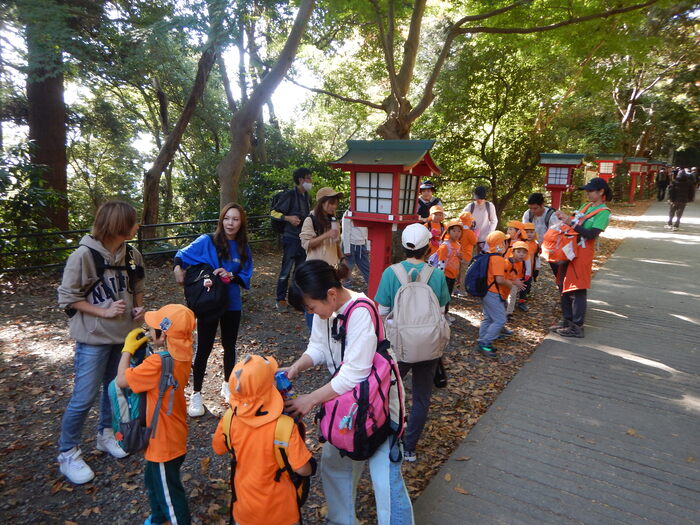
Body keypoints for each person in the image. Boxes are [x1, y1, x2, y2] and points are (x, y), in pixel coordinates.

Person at [284, 260, 414, 525]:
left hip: (378, 406)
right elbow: (318, 347)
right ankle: (342, 520)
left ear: (331, 294)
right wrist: (297, 366)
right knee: (335, 465)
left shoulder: (361, 311)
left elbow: (355, 373)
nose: (312, 313)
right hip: (345, 405)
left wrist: (310, 400)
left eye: (312, 307)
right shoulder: (326, 311)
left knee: (385, 480)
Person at [56, 200, 145, 484]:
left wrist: (139, 307)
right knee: (83, 397)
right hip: (93, 339)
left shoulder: (132, 254)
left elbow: (138, 286)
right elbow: (67, 298)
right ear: (119, 225)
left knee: (113, 389)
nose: (137, 226)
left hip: (124, 337)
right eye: (132, 221)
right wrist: (103, 311)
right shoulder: (83, 256)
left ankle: (106, 434)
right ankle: (68, 452)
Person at [375, 223, 450, 462]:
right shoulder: (436, 275)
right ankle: (410, 448)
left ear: (404, 246)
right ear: (428, 248)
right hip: (429, 346)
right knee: (421, 398)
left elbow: (382, 311)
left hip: (398, 346)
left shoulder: (391, 273)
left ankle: (386, 440)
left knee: (387, 392)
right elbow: (441, 312)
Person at [116, 304, 196, 525]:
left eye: (152, 328)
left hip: (162, 441)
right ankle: (158, 518)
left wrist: (127, 350)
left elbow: (121, 380)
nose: (149, 331)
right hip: (172, 433)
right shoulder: (183, 356)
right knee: (153, 482)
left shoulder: (157, 363)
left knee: (170, 496)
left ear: (163, 335)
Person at [211, 354, 314, 525]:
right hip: (282, 513)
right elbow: (303, 469)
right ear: (271, 388)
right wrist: (312, 465)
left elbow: (219, 448)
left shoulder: (229, 419)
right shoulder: (285, 427)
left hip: (244, 509)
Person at [173, 203, 253, 416]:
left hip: (232, 302)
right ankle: (196, 393)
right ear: (221, 220)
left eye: (235, 219)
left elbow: (246, 274)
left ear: (241, 222)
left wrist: (231, 275)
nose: (230, 223)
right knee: (204, 347)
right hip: (209, 301)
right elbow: (181, 254)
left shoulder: (243, 247)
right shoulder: (207, 241)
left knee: (229, 345)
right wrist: (177, 268)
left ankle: (227, 385)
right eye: (227, 218)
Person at [551, 177, 612, 338]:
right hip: (569, 249)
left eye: (591, 191)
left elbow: (591, 234)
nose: (588, 194)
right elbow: (574, 222)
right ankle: (567, 320)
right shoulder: (586, 206)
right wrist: (565, 218)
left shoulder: (603, 212)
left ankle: (577, 326)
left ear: (601, 192)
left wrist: (570, 223)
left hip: (583, 253)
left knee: (577, 288)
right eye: (587, 191)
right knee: (563, 283)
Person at [299, 187, 344, 329]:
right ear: (321, 203)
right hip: (314, 271)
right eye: (331, 203)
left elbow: (336, 243)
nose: (334, 206)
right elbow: (306, 244)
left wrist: (342, 259)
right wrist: (326, 235)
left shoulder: (334, 220)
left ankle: (328, 332)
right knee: (313, 301)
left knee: (330, 302)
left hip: (331, 270)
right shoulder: (310, 219)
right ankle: (313, 334)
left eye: (335, 203)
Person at [476, 231, 525, 359]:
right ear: (500, 243)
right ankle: (485, 343)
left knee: (488, 318)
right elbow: (499, 280)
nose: (507, 244)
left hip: (486, 291)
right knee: (500, 319)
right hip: (492, 292)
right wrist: (513, 284)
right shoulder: (498, 259)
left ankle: (482, 340)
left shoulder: (489, 255)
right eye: (505, 241)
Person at [271, 167, 312, 309]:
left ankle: (296, 300)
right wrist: (288, 218)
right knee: (286, 270)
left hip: (303, 239)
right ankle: (280, 299)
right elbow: (273, 213)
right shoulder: (289, 195)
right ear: (301, 180)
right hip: (290, 238)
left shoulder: (306, 196)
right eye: (308, 178)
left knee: (300, 271)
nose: (311, 181)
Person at [436, 218, 463, 322]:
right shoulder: (445, 246)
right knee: (443, 296)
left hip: (453, 275)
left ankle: (445, 313)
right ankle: (441, 316)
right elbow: (441, 262)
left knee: (448, 296)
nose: (457, 233)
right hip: (445, 275)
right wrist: (440, 276)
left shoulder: (458, 245)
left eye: (459, 231)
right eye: (454, 230)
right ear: (448, 232)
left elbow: (458, 261)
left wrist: (458, 276)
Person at [462, 185, 498, 254]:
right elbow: (462, 220)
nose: (479, 200)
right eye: (478, 198)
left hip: (485, 240)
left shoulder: (489, 206)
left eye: (481, 198)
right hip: (471, 239)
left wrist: (490, 234)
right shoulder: (470, 207)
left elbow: (494, 220)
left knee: (483, 258)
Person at [341, 209, 370, 286]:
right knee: (347, 269)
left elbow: (368, 229)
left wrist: (368, 246)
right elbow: (345, 231)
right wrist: (347, 249)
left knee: (367, 268)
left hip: (362, 244)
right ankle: (346, 288)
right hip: (350, 244)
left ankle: (373, 288)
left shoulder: (365, 211)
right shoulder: (348, 213)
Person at [453, 211, 478, 296]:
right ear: (469, 222)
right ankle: (462, 290)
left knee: (456, 272)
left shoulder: (458, 231)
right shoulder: (469, 232)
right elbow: (474, 242)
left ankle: (453, 289)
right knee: (463, 273)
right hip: (466, 256)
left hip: (457, 254)